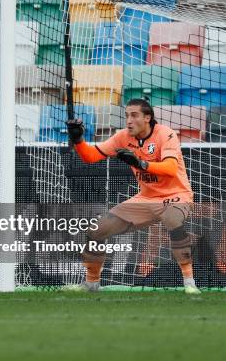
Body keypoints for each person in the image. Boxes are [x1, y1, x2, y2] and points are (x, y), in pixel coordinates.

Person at [65, 98, 200, 294]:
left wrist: (140, 163)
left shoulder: (165, 134)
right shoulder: (123, 137)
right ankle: (91, 284)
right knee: (97, 230)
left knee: (172, 219)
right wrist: (78, 140)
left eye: (134, 115)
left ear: (147, 118)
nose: (129, 120)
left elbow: (170, 168)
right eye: (127, 115)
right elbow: (90, 156)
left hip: (176, 195)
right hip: (146, 198)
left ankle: (190, 283)